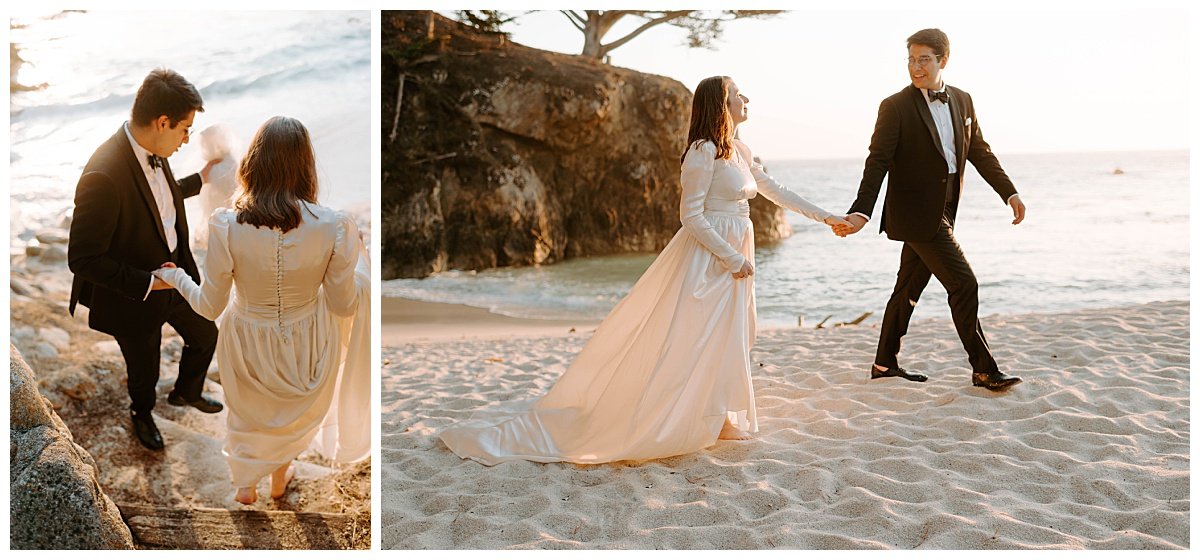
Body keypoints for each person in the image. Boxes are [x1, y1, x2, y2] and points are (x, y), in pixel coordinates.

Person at [440, 76, 851, 465]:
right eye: (738, 95)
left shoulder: (741, 152)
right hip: (709, 256)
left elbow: (777, 192)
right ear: (720, 106)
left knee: (733, 333)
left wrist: (828, 216)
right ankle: (712, 416)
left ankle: (720, 413)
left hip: (737, 249)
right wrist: (730, 257)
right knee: (700, 334)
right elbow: (690, 215)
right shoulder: (702, 151)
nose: (746, 101)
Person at [154, 116, 371, 504]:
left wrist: (177, 279)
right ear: (306, 164)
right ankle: (277, 479)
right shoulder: (336, 225)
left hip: (246, 333)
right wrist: (358, 264)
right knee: (288, 414)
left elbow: (210, 305)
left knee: (249, 414)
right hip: (307, 334)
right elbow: (343, 303)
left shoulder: (226, 223)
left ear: (253, 161)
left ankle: (245, 485)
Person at [833, 28, 1026, 391]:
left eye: (923, 59)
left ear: (943, 60)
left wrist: (1009, 192)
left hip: (946, 211)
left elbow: (978, 151)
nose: (916, 67)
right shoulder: (895, 106)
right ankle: (984, 369)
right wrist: (861, 211)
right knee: (964, 283)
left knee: (907, 288)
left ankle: (884, 364)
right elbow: (877, 161)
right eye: (911, 59)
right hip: (915, 214)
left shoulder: (963, 101)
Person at [68, 68, 225, 451]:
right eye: (184, 129)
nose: (187, 138)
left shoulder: (154, 147)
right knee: (144, 371)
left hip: (177, 277)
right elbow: (83, 259)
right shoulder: (103, 174)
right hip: (134, 293)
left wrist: (201, 178)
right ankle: (142, 413)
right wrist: (148, 282)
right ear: (162, 122)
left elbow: (159, 199)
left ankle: (186, 392)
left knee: (206, 335)